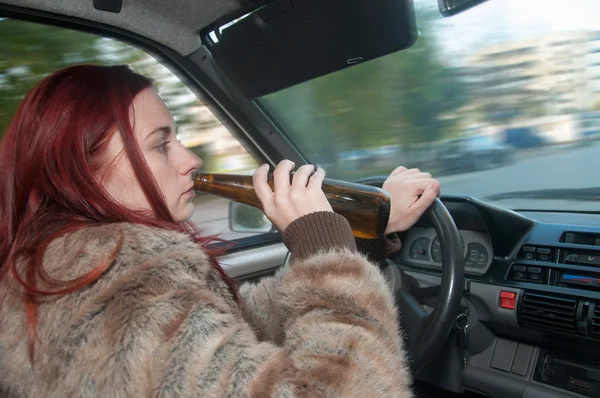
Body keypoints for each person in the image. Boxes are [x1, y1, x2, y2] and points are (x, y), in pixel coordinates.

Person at [0, 65, 441, 397]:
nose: (190, 159)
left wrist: (348, 243)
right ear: (82, 168)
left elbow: (226, 325)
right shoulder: (118, 293)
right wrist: (326, 254)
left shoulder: (58, 273)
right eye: (161, 144)